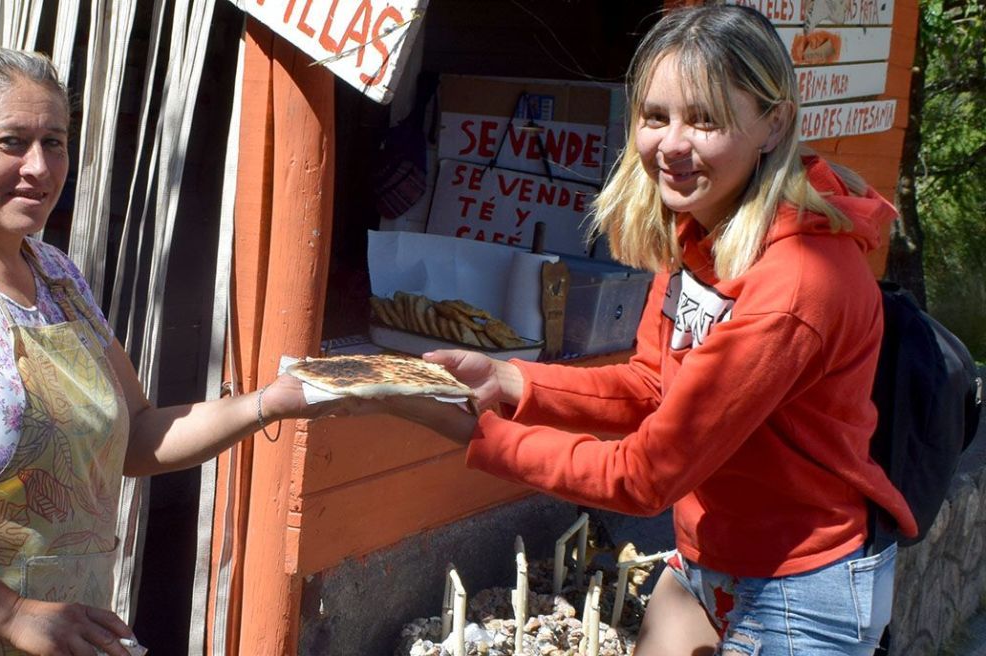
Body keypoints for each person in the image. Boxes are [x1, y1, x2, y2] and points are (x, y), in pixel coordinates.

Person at [380, 5, 918, 655]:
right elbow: (651, 383)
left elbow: (645, 477)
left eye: (705, 119)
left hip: (797, 591)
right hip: (704, 559)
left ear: (773, 123)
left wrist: (479, 435)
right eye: (656, 116)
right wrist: (511, 378)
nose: (672, 144)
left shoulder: (798, 282)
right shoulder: (699, 229)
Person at [0, 37, 335, 656]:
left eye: (54, 142)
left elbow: (136, 435)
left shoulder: (58, 276)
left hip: (58, 635)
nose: (39, 167)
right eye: (11, 142)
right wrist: (10, 613)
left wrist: (268, 403)